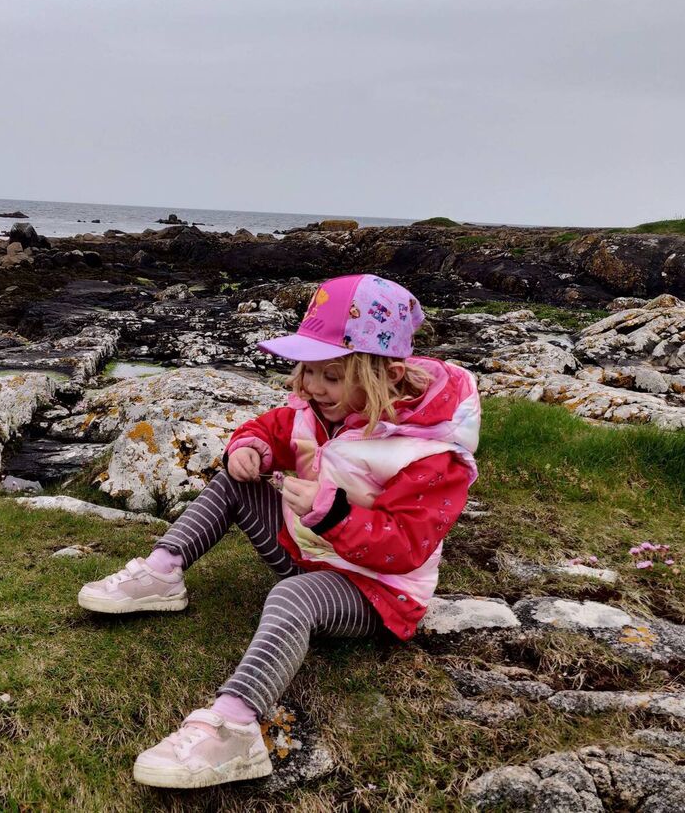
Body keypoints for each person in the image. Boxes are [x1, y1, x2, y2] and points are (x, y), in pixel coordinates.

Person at [77, 274, 481, 789]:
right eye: (306, 370)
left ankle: (236, 727)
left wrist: (333, 513)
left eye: (330, 375)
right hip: (310, 552)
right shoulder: (319, 408)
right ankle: (164, 572)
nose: (312, 387)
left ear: (387, 374)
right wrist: (251, 448)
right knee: (235, 481)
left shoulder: (432, 454)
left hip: (377, 590)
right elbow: (271, 428)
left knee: (293, 597)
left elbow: (406, 548)